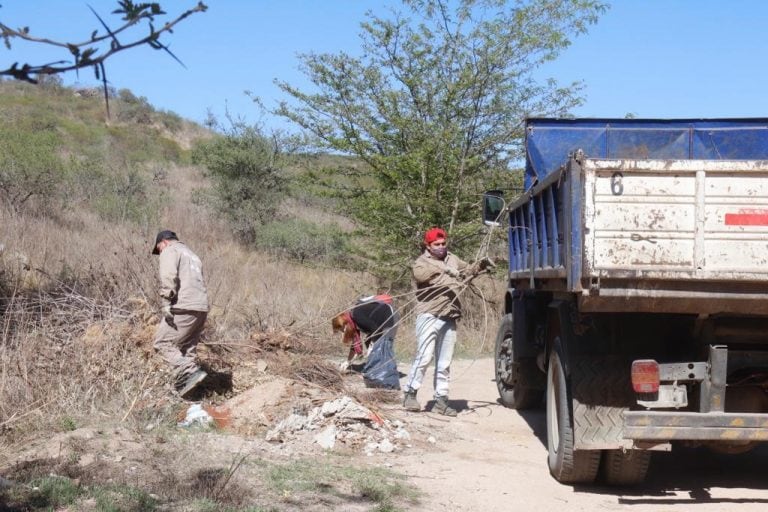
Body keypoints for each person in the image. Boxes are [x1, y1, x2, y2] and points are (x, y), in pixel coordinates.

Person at [402, 227, 493, 416]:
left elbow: (467, 270)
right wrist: (448, 271)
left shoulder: (453, 258)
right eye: (437, 244)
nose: (441, 247)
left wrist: (479, 266)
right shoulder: (421, 263)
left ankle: (441, 400)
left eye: (443, 244)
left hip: (449, 316)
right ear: (428, 245)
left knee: (444, 363)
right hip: (429, 315)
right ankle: (410, 393)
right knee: (424, 357)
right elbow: (422, 276)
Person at [151, 230, 210, 399]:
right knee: (186, 350)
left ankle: (190, 371)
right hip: (201, 307)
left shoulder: (170, 250)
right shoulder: (192, 254)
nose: (160, 252)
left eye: (159, 249)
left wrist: (166, 302)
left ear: (163, 243)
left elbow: (168, 275)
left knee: (162, 343)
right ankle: (191, 395)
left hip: (184, 305)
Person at [332, 294, 399, 371]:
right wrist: (348, 362)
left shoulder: (356, 314)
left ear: (343, 323)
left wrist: (372, 346)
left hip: (390, 317)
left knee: (385, 345)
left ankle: (387, 372)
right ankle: (377, 368)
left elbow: (375, 329)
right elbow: (355, 346)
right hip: (384, 321)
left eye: (342, 329)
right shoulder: (353, 320)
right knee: (368, 341)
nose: (343, 332)